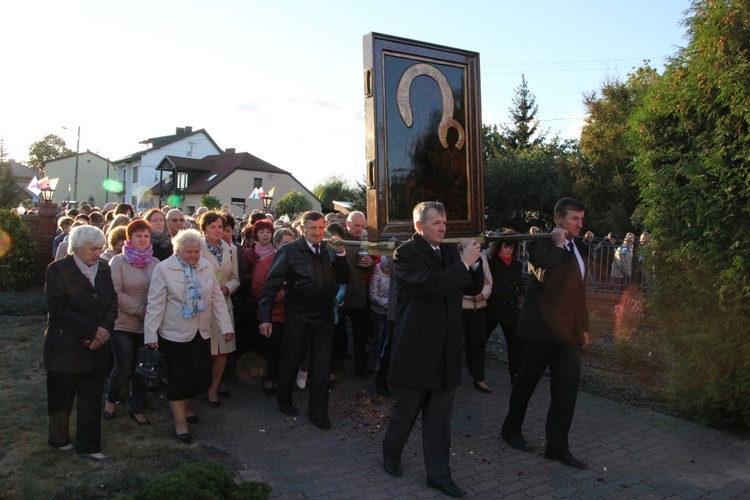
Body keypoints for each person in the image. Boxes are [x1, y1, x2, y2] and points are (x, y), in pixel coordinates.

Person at [382, 202, 483, 499]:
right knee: (405, 413)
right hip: (416, 348)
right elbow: (430, 286)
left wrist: (474, 262)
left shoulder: (450, 253)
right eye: (436, 222)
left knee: (440, 420)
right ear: (419, 226)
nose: (442, 227)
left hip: (446, 349)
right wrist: (463, 264)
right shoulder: (406, 254)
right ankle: (391, 455)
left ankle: (439, 476)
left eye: (444, 222)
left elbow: (470, 287)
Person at [501, 197, 590, 470]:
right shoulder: (540, 245)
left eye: (581, 219)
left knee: (566, 391)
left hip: (568, 336)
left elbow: (578, 293)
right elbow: (552, 281)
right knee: (525, 384)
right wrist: (560, 246)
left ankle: (557, 447)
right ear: (559, 219)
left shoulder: (581, 248)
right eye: (574, 218)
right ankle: (511, 430)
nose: (579, 223)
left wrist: (584, 327)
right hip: (540, 331)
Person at [258, 211, 349, 430]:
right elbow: (270, 286)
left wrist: (342, 254)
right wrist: (265, 318)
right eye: (312, 228)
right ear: (302, 228)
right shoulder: (289, 251)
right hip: (298, 317)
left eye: (320, 228)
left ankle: (318, 413)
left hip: (324, 319)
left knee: (320, 366)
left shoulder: (328, 251)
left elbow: (344, 278)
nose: (317, 232)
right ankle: (284, 400)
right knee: (291, 360)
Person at [144, 229, 234, 444]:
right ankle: (180, 423)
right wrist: (150, 334)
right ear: (178, 251)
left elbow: (216, 298)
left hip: (200, 332)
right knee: (177, 378)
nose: (194, 256)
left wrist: (226, 327)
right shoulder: (164, 269)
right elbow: (155, 303)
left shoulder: (205, 267)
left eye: (196, 251)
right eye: (189, 252)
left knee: (197, 374)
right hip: (173, 333)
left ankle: (187, 406)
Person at [43, 225, 118, 463]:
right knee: (61, 397)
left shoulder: (105, 269)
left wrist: (103, 332)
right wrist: (93, 330)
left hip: (96, 347)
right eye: (93, 249)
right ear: (77, 248)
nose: (98, 253)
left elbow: (112, 305)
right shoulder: (58, 270)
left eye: (101, 248)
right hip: (65, 346)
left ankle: (89, 446)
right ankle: (59, 439)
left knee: (91, 397)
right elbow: (58, 309)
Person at [104, 219, 159, 425]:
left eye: (146, 236)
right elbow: (115, 293)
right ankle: (111, 400)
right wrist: (140, 311)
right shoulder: (118, 262)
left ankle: (137, 407)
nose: (143, 239)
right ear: (129, 238)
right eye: (138, 236)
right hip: (122, 324)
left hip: (147, 326)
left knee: (143, 369)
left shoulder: (155, 263)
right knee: (124, 367)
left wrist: (151, 315)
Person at [197, 211, 239, 407]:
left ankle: (213, 390)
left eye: (220, 227)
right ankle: (199, 387)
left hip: (224, 305)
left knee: (222, 351)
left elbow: (235, 278)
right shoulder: (196, 248)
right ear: (204, 229)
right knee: (203, 351)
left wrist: (227, 288)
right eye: (212, 226)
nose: (217, 230)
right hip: (202, 307)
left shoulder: (231, 250)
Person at [251, 227, 297, 395]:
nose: (290, 246)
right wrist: (282, 294)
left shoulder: (298, 263)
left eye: (292, 242)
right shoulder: (265, 262)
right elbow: (257, 289)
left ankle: (281, 379)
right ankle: (269, 379)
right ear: (276, 244)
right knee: (272, 351)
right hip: (273, 315)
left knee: (287, 351)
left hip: (292, 315)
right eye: (286, 243)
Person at [485, 231, 525, 384]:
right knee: (481, 339)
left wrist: (520, 291)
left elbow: (519, 284)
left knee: (514, 344)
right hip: (494, 307)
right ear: (499, 247)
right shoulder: (492, 263)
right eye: (506, 247)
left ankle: (515, 374)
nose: (509, 250)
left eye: (512, 247)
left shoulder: (516, 265)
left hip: (509, 308)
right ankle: (476, 371)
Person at [341, 211, 375, 375]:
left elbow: (368, 267)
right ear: (348, 224)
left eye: (362, 226)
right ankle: (338, 365)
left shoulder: (363, 242)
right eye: (357, 225)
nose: (360, 229)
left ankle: (360, 368)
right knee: (339, 334)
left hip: (359, 295)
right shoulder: (339, 240)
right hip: (341, 296)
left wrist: (369, 264)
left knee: (360, 336)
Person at [462, 244, 493, 393]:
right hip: (462, 309)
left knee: (480, 342)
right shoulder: (459, 258)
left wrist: (482, 294)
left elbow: (489, 281)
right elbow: (457, 282)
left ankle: (479, 378)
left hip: (479, 308)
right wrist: (476, 288)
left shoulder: (482, 258)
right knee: (456, 343)